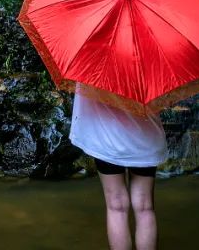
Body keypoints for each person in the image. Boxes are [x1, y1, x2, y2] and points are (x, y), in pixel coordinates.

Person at [70, 82, 168, 250]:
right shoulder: (151, 57)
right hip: (145, 137)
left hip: (106, 139)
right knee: (145, 207)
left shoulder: (92, 61)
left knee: (116, 206)